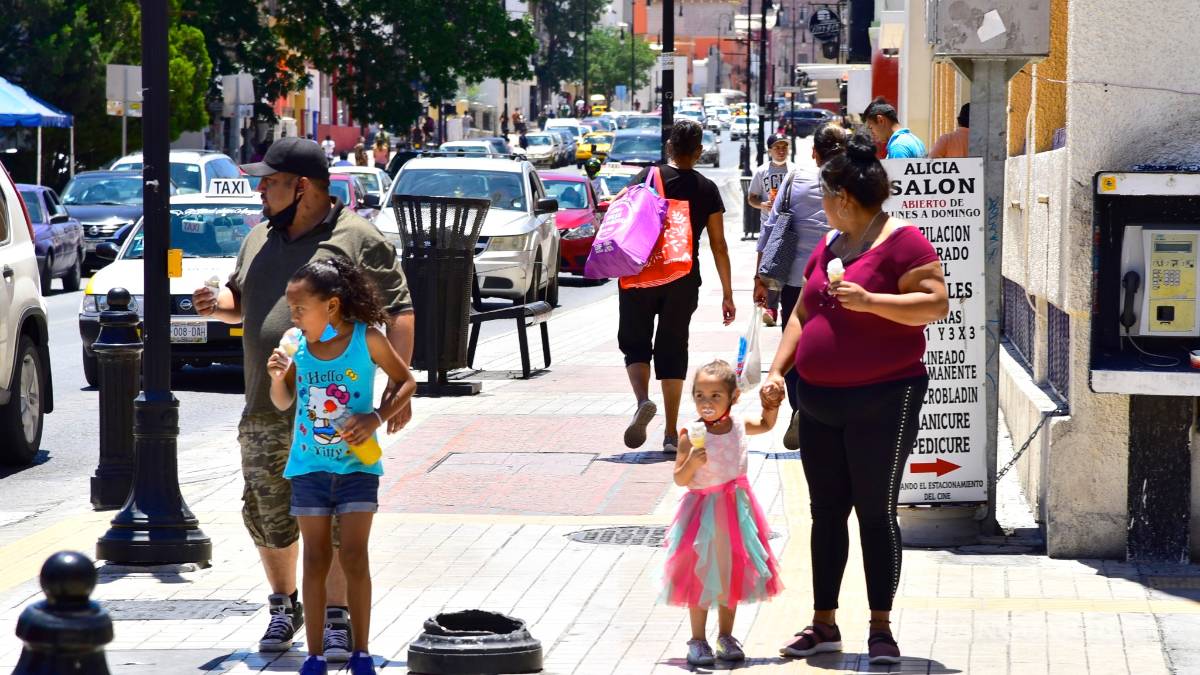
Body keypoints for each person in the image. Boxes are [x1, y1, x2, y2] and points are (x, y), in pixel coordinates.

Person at [191, 137, 415, 664]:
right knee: (268, 511)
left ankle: (335, 617)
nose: (259, 190)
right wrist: (214, 305)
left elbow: (399, 309)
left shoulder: (357, 237)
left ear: (304, 187)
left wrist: (393, 393)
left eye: (269, 181)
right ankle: (283, 604)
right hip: (265, 404)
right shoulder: (258, 239)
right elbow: (241, 305)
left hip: (335, 415)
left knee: (335, 520)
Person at [763, 128, 948, 666]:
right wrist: (778, 371)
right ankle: (823, 623)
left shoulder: (904, 240)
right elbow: (804, 314)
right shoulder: (830, 244)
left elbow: (934, 304)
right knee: (825, 514)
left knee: (874, 511)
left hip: (884, 399)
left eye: (824, 196)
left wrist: (870, 301)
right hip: (819, 400)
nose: (821, 205)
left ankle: (881, 628)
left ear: (842, 198)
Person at [267, 257, 417, 675]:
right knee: (314, 560)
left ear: (331, 306)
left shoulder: (366, 340)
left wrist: (375, 418)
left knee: (354, 558)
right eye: (291, 310)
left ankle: (362, 652)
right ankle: (314, 656)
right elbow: (283, 403)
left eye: (300, 309)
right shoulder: (295, 343)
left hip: (357, 471)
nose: (293, 317)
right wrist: (278, 378)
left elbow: (407, 381)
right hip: (308, 470)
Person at [617, 119, 736, 454]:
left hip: (640, 274)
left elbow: (620, 215)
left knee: (636, 345)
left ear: (669, 147)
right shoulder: (706, 189)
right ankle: (670, 433)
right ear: (698, 152)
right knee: (672, 348)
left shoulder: (647, 178)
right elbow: (719, 244)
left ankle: (642, 401)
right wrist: (727, 293)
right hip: (683, 278)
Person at [663, 360, 783, 666]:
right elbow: (680, 477)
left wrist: (773, 403)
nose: (707, 402)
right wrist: (692, 462)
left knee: (731, 571)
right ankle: (698, 639)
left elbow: (767, 424)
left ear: (733, 398)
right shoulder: (691, 432)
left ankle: (726, 636)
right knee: (699, 573)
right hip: (701, 511)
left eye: (716, 395)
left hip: (735, 509)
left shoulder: (740, 425)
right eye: (700, 395)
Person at [753, 123, 849, 450]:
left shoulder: (795, 179)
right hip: (842, 279)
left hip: (796, 278)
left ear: (813, 152)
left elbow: (770, 229)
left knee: (793, 344)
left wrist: (759, 278)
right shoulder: (855, 183)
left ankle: (798, 408)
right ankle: (827, 414)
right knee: (836, 346)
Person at [747, 134, 795, 327]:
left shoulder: (794, 170)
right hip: (769, 225)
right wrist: (763, 205)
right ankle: (771, 308)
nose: (781, 150)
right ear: (769, 150)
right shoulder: (761, 172)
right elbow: (752, 197)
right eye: (777, 147)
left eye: (784, 147)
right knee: (770, 267)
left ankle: (787, 307)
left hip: (790, 224)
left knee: (789, 266)